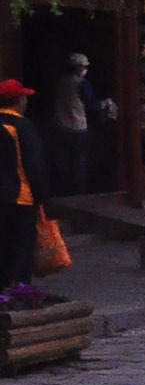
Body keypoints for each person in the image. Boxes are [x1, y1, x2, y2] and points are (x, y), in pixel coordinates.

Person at [0, 79, 50, 287]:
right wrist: (42, 198)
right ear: (18, 101)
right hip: (21, 197)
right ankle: (18, 292)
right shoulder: (23, 127)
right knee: (21, 250)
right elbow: (34, 165)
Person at [45, 53, 93, 196]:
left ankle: (60, 193)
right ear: (78, 67)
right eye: (84, 67)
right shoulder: (82, 83)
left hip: (59, 126)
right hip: (78, 128)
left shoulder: (59, 81)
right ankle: (78, 195)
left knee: (61, 162)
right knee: (78, 164)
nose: (85, 69)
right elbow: (91, 102)